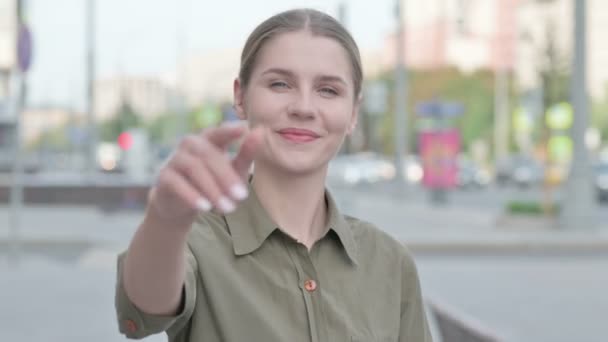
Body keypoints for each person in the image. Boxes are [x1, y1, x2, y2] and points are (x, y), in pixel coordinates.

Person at [115, 8, 433, 342]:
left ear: (353, 112)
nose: (304, 107)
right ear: (240, 96)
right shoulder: (192, 240)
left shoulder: (390, 262)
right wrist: (165, 220)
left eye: (328, 90)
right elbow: (144, 308)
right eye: (280, 84)